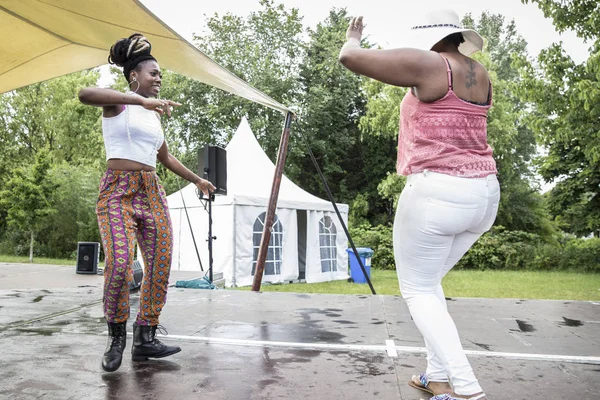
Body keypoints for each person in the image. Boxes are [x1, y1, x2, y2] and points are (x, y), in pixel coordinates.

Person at [339, 9, 498, 400]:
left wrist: (354, 38)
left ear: (431, 37)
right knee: (429, 286)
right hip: (484, 193)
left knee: (418, 290)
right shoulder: (480, 74)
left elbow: (350, 58)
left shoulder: (431, 63)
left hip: (437, 192)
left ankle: (466, 388)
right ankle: (436, 375)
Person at [78, 33, 215, 372]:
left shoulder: (153, 116)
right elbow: (84, 94)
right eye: (153, 73)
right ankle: (116, 336)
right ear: (134, 75)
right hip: (117, 192)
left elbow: (165, 157)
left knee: (160, 262)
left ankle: (145, 336)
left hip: (151, 190)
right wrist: (141, 101)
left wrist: (196, 179)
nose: (159, 80)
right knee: (121, 263)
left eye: (160, 75)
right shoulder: (120, 103)